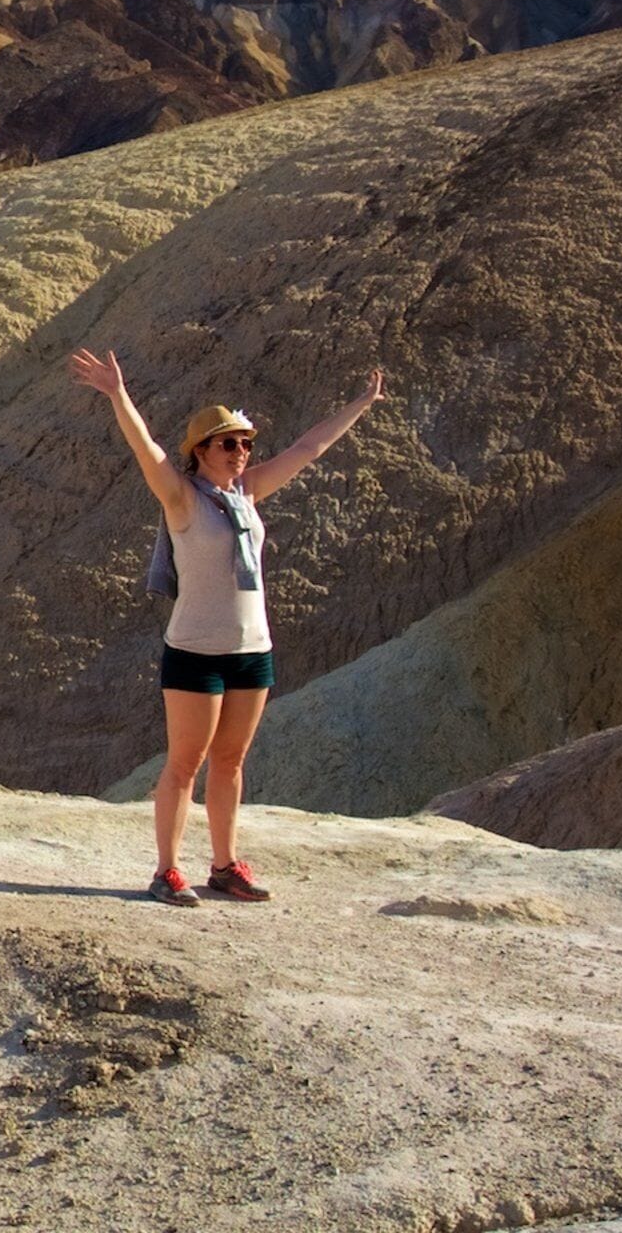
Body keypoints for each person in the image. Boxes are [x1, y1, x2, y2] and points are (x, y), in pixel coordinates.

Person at [65, 347, 386, 907]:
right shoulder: (182, 498)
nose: (241, 452)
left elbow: (308, 448)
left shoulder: (248, 494)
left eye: (245, 444)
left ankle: (222, 866)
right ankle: (167, 871)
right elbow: (146, 450)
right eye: (229, 443)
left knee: (231, 761)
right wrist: (118, 395)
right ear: (202, 451)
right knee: (185, 763)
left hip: (251, 650)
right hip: (195, 650)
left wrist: (360, 404)